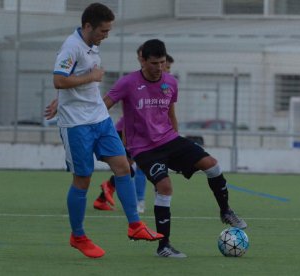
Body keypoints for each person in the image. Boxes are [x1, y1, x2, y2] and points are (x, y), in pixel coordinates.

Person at [104, 39, 248, 258]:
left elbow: (171, 113)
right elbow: (102, 106)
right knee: (165, 187)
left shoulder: (170, 82)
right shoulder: (128, 83)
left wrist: (179, 140)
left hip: (169, 140)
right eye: (154, 63)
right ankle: (164, 246)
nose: (159, 68)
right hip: (143, 148)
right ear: (142, 60)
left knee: (212, 165)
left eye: (162, 62)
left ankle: (226, 210)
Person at [51, 3, 162, 259]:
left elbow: (70, 83)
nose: (107, 35)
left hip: (99, 118)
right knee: (83, 178)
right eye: (103, 30)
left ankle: (135, 226)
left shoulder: (92, 45)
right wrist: (90, 78)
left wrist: (61, 97)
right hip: (76, 124)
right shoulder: (71, 46)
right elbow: (59, 79)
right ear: (88, 26)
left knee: (124, 167)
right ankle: (77, 236)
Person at [94, 47, 175, 214]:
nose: (163, 70)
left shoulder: (165, 86)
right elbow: (129, 113)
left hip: (146, 135)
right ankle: (138, 201)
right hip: (128, 132)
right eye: (163, 66)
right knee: (136, 169)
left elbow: (167, 115)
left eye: (166, 66)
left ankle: (103, 196)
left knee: (129, 169)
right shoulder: (136, 82)